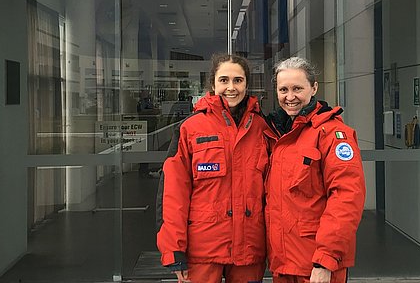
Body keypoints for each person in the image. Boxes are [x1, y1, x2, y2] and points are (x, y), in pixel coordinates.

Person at [156, 53, 271, 283]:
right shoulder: (191, 128)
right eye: (224, 80)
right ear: (212, 84)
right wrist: (174, 249)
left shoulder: (262, 127)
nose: (231, 87)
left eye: (238, 80)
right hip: (202, 251)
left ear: (247, 85)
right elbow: (173, 193)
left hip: (249, 250)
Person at [265, 56, 365, 283]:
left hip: (316, 265)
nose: (290, 97)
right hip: (283, 263)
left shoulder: (333, 134)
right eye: (283, 89)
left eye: (297, 88)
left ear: (314, 88)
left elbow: (346, 198)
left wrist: (325, 259)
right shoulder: (276, 133)